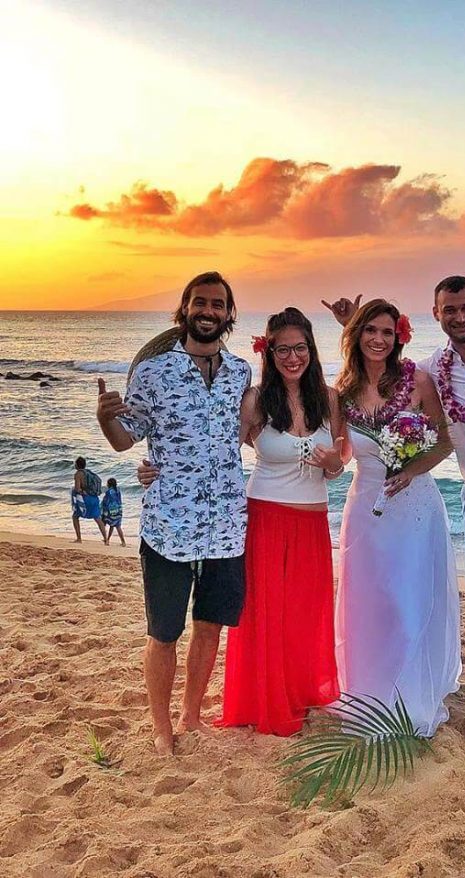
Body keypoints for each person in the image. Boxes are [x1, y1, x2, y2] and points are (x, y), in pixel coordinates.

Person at [324, 278, 465, 740]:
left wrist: (411, 469)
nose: (459, 316)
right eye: (450, 309)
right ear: (436, 314)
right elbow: (344, 440)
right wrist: (353, 327)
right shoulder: (425, 368)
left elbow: (443, 439)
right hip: (455, 498)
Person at [96, 271, 250, 757]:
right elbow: (126, 439)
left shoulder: (240, 373)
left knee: (210, 625)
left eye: (218, 304)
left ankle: (191, 714)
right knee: (164, 632)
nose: (208, 311)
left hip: (227, 524)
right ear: (184, 309)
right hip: (170, 524)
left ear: (228, 314)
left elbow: (255, 429)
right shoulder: (154, 372)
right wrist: (105, 419)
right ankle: (162, 728)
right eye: (200, 302)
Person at [334, 299, 461, 736]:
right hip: (365, 507)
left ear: (398, 337)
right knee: (369, 604)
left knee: (408, 602)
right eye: (370, 330)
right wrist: (320, 462)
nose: (379, 339)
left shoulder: (417, 380)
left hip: (414, 506)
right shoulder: (343, 390)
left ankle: (410, 698)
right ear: (357, 335)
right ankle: (368, 694)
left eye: (387, 332)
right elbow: (342, 454)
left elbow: (444, 442)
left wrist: (410, 469)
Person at [217, 307, 347, 736]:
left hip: (312, 523)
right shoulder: (255, 401)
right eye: (283, 350)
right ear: (269, 353)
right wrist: (159, 468)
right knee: (267, 616)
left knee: (304, 615)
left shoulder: (329, 399)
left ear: (311, 349)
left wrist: (332, 464)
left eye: (300, 348)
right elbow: (221, 454)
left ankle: (300, 691)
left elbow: (338, 465)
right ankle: (267, 699)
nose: (293, 358)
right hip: (266, 519)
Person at [71, 456, 108, 543]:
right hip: (94, 499)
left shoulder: (78, 474)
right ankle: (106, 539)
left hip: (85, 499)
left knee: (75, 516)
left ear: (77, 465)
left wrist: (80, 491)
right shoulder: (89, 473)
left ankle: (79, 539)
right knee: (98, 519)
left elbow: (77, 489)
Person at [101, 477, 126, 546]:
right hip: (119, 510)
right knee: (117, 526)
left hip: (110, 511)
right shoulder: (118, 490)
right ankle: (123, 542)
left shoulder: (108, 492)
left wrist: (103, 510)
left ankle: (106, 540)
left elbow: (106, 502)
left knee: (103, 524)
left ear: (109, 484)